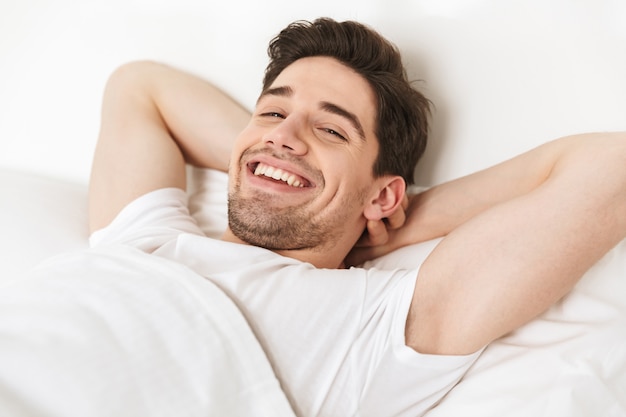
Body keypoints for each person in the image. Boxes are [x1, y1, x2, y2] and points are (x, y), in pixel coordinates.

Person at [88, 18, 626, 417]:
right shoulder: (144, 237)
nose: (281, 132)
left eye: (332, 130)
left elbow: (613, 167)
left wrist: (391, 221)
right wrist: (277, 156)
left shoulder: (375, 325)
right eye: (273, 112)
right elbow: (139, 86)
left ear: (383, 195)